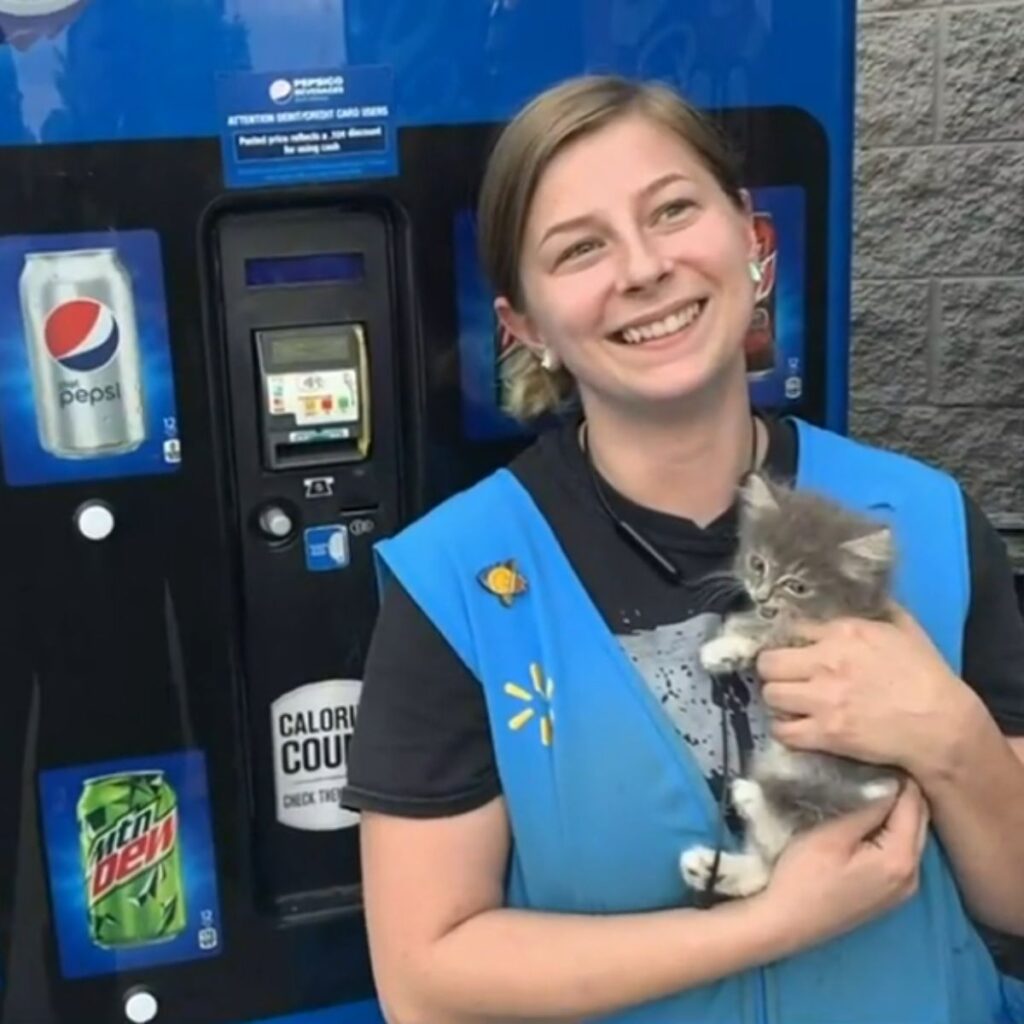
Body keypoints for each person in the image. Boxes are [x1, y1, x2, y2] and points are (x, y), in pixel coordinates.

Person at [342, 75, 1024, 1023]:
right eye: (580, 247)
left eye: (672, 210)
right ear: (527, 328)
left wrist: (950, 738)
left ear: (751, 243)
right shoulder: (459, 583)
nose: (643, 267)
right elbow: (427, 984)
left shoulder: (924, 522)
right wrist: (768, 924)